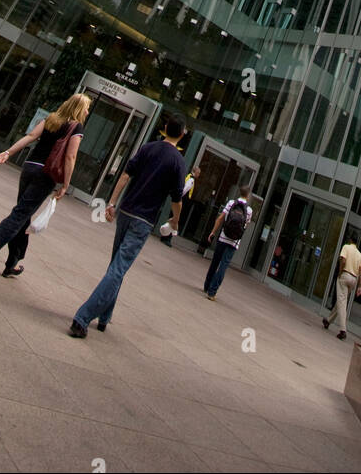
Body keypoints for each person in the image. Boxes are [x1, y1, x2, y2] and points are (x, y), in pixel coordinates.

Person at [69, 115, 186, 337]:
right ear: (181, 134)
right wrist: (175, 220)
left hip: (126, 212)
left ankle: (104, 317)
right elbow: (177, 199)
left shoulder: (148, 148)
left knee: (116, 265)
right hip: (144, 220)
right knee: (118, 268)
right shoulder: (178, 161)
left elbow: (125, 175)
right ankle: (82, 319)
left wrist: (112, 202)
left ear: (165, 128)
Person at [0, 92, 89, 278]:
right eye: (86, 108)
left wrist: (8, 152)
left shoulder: (51, 119)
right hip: (45, 174)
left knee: (23, 215)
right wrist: (65, 185)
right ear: (79, 108)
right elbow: (71, 156)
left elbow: (31, 136)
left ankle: (12, 263)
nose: (87, 112)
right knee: (18, 216)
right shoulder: (76, 127)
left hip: (29, 167)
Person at [203, 185, 253, 300]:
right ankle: (212, 292)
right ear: (248, 195)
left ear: (240, 192)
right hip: (234, 242)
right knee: (223, 266)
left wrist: (213, 232)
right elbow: (245, 226)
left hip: (223, 237)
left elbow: (220, 218)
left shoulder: (231, 203)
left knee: (215, 262)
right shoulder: (249, 210)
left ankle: (206, 286)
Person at [322, 234, 361, 340]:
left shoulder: (346, 247)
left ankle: (343, 330)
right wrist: (359, 286)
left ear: (350, 240)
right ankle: (328, 320)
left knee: (342, 302)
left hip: (345, 275)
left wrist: (340, 272)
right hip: (354, 279)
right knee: (341, 301)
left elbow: (343, 260)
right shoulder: (359, 255)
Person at [160, 164, 200, 246]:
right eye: (198, 173)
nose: (199, 175)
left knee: (173, 218)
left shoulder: (188, 176)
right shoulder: (191, 180)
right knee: (175, 219)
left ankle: (164, 236)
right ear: (195, 172)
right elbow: (184, 190)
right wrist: (179, 199)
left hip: (179, 200)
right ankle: (167, 238)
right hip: (182, 201)